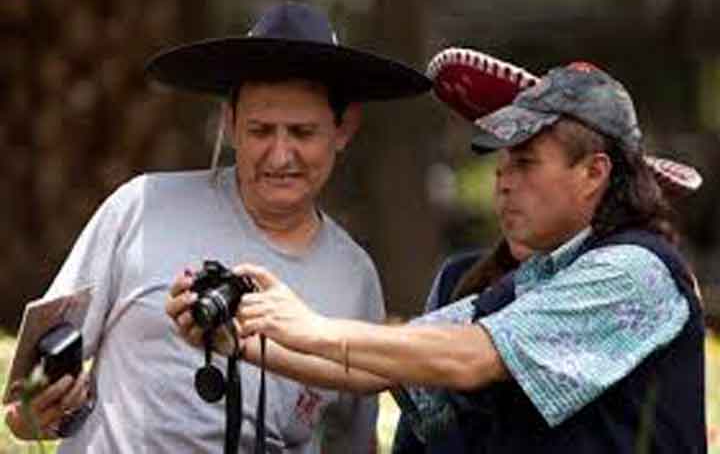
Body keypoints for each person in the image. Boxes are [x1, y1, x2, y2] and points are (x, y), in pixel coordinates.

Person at [169, 62, 706, 452]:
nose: (502, 181)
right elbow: (384, 367)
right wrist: (243, 341)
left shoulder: (634, 271)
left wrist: (308, 326)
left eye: (525, 162)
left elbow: (471, 358)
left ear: (594, 172)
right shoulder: (540, 276)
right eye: (503, 164)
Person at [4, 1, 431, 453]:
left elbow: (353, 442)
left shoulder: (354, 278)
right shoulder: (142, 207)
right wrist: (38, 411)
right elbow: (25, 403)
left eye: (302, 133)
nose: (280, 155)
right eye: (260, 130)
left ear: (344, 128)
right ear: (229, 123)